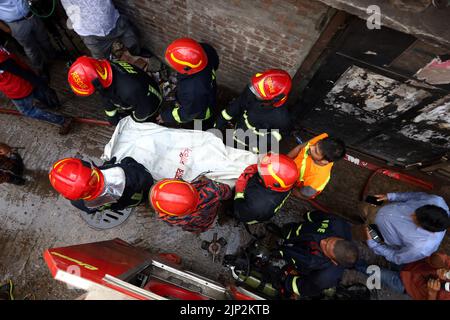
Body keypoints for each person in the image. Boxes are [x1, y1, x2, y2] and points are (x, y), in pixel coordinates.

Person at [273, 210, 359, 299]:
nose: (323, 241)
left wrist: (286, 280)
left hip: (297, 259)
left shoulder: (326, 277)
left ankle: (280, 252)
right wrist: (308, 215)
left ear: (334, 261)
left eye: (326, 247)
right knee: (287, 232)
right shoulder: (338, 224)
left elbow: (304, 287)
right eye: (329, 240)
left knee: (283, 253)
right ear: (341, 239)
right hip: (295, 233)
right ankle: (281, 233)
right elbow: (316, 215)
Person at [68, 56, 162, 125]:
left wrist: (134, 121)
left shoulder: (129, 90)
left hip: (150, 103)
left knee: (146, 122)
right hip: (138, 96)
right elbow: (106, 95)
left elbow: (143, 111)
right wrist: (112, 117)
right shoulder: (104, 71)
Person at [215, 69, 292, 154]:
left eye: (259, 94)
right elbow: (238, 104)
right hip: (238, 129)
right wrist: (221, 120)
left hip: (251, 145)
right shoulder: (255, 88)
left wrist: (256, 149)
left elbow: (275, 136)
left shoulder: (281, 118)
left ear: (273, 100)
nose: (254, 92)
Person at [361, 192, 450, 265]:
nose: (411, 214)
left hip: (376, 234)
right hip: (387, 205)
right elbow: (416, 195)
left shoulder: (421, 248)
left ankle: (362, 218)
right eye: (416, 210)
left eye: (415, 219)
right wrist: (392, 196)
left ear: (425, 228)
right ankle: (362, 207)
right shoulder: (436, 200)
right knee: (363, 202)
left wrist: (373, 244)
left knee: (360, 226)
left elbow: (395, 256)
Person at [0, 46, 72, 134]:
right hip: (23, 81)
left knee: (27, 111)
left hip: (17, 88)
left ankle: (63, 121)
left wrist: (41, 83)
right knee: (35, 91)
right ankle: (51, 104)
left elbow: (18, 70)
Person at [48, 156, 154, 214]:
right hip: (136, 196)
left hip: (122, 204)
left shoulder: (80, 203)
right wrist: (128, 162)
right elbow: (148, 180)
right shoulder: (126, 174)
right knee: (144, 196)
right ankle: (148, 201)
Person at [157, 38, 219, 130]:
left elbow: (188, 114)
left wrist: (166, 116)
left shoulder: (192, 90)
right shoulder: (204, 50)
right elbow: (216, 63)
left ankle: (204, 130)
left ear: (186, 69)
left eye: (174, 65)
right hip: (208, 94)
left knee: (201, 125)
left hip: (203, 113)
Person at [60, 0, 148, 59]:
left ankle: (136, 52)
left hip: (114, 21)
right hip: (91, 34)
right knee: (101, 61)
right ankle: (111, 77)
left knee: (132, 40)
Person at [233, 153, 299, 224]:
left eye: (262, 172)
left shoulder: (256, 206)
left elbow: (240, 214)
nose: (259, 169)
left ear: (274, 183)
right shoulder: (287, 183)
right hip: (263, 209)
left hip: (251, 214)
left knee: (239, 213)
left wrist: (239, 192)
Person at [150, 176, 232, 233]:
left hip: (199, 226)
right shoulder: (211, 191)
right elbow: (228, 192)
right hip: (211, 215)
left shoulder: (168, 216)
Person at [356, 252, 450, 300]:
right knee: (388, 256)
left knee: (378, 273)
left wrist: (432, 293)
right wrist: (440, 264)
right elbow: (440, 258)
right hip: (412, 265)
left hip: (407, 285)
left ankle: (356, 265)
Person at [0, 0, 55, 75]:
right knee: (31, 49)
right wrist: (7, 30)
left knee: (44, 39)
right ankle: (41, 68)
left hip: (32, 15)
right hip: (16, 24)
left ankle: (52, 55)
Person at [287, 133, 346, 200]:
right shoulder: (322, 143)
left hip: (291, 182)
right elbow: (300, 147)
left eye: (316, 151)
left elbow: (304, 195)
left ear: (324, 161)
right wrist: (283, 160)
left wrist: (289, 188)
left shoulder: (317, 180)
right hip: (287, 167)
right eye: (315, 144)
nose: (311, 147)